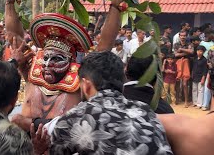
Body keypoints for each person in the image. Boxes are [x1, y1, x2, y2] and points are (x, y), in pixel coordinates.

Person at [5, 0, 132, 131]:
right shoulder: (33, 69)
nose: (47, 64)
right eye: (45, 57)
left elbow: (103, 48)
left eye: (57, 59)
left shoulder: (80, 80)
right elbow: (15, 39)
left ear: (71, 60)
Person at [32, 51, 173, 155]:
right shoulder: (147, 112)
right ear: (123, 81)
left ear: (86, 85)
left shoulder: (77, 118)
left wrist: (37, 151)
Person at [174, 30, 193, 107]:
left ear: (186, 36)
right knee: (178, 82)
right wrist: (186, 52)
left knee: (185, 83)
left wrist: (181, 50)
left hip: (187, 63)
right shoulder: (176, 44)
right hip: (178, 63)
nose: (183, 37)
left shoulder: (189, 43)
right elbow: (175, 55)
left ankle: (186, 101)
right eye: (181, 35)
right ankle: (177, 99)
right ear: (179, 36)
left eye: (184, 35)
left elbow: (191, 52)